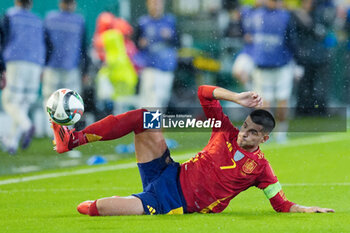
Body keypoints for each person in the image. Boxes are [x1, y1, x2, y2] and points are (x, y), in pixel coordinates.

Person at [50, 85, 334, 215]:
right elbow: (203, 92)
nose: (244, 133)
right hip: (167, 169)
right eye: (245, 126)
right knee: (145, 116)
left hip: (173, 202)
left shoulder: (260, 169)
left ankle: (133, 201)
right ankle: (73, 139)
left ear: (264, 139)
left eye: (253, 133)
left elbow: (281, 204)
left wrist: (305, 209)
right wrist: (236, 96)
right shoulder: (224, 129)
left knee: (92, 208)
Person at [0, 0, 45, 154]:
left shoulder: (10, 16)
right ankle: (11, 142)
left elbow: (2, 40)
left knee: (9, 101)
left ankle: (27, 126)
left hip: (15, 61)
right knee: (23, 105)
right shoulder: (38, 20)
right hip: (35, 65)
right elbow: (45, 44)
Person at [249, 0, 297, 143]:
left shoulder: (284, 16)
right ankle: (271, 133)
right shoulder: (257, 14)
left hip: (279, 65)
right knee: (267, 103)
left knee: (279, 102)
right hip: (265, 65)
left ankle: (278, 132)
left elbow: (292, 41)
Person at [42, 0, 88, 135]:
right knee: (72, 102)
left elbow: (44, 43)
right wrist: (84, 70)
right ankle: (66, 132)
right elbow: (83, 47)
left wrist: (43, 64)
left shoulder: (50, 18)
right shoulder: (79, 20)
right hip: (71, 66)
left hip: (52, 66)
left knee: (50, 99)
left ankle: (54, 132)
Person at [135, 0, 179, 109]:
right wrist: (140, 43)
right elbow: (135, 43)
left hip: (167, 67)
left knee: (162, 101)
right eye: (153, 3)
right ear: (148, 4)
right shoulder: (142, 22)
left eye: (158, 3)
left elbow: (179, 42)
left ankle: (155, 125)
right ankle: (151, 125)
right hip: (150, 67)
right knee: (151, 101)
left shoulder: (170, 21)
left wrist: (171, 37)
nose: (156, 6)